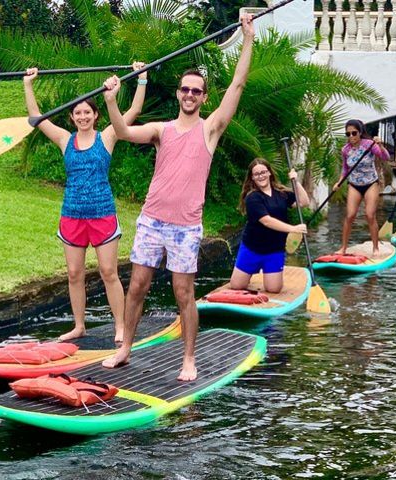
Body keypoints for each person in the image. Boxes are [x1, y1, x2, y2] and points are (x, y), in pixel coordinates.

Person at [100, 14, 256, 381]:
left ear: (204, 98)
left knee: (183, 292)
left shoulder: (210, 129)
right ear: (178, 93)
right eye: (184, 89)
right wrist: (111, 100)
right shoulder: (161, 130)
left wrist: (247, 37)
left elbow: (237, 85)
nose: (189, 95)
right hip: (152, 220)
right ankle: (124, 349)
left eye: (196, 91)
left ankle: (189, 359)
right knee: (137, 285)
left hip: (186, 227)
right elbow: (121, 130)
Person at [22, 62, 148, 342]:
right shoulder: (65, 140)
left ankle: (119, 326)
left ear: (95, 115)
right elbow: (37, 118)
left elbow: (134, 112)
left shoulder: (108, 136)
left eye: (87, 112)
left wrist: (142, 78)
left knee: (108, 272)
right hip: (72, 216)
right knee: (74, 273)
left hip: (103, 214)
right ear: (72, 117)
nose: (82, 116)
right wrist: (28, 84)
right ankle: (79, 326)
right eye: (77, 113)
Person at [229, 159, 309, 293]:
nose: (261, 176)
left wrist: (296, 182)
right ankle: (250, 273)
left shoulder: (281, 193)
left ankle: (266, 273)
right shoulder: (252, 197)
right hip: (252, 248)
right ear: (252, 178)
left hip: (274, 249)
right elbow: (267, 221)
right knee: (236, 286)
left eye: (263, 172)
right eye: (256, 174)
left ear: (269, 173)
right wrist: (293, 229)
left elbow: (304, 202)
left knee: (274, 289)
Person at [334, 119, 390, 258]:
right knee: (350, 215)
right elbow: (345, 169)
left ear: (360, 133)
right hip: (354, 184)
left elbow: (385, 157)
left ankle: (375, 248)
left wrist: (380, 145)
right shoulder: (345, 150)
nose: (351, 137)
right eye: (348, 134)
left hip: (371, 183)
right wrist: (339, 182)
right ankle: (343, 247)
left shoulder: (369, 145)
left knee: (370, 215)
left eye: (354, 133)